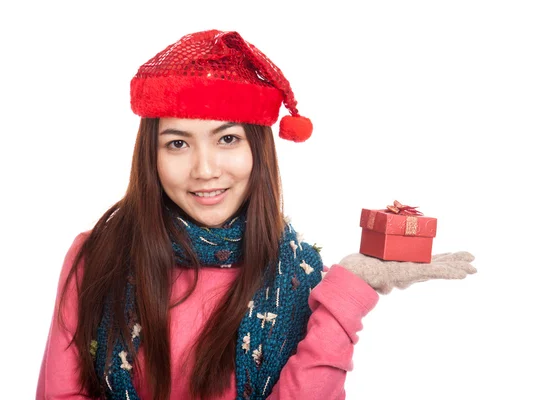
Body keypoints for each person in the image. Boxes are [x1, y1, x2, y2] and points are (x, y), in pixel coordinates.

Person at [36, 29, 476, 400]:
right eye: (177, 143)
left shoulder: (298, 276)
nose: (205, 170)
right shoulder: (99, 256)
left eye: (227, 139)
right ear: (150, 156)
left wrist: (348, 292)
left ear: (257, 150)